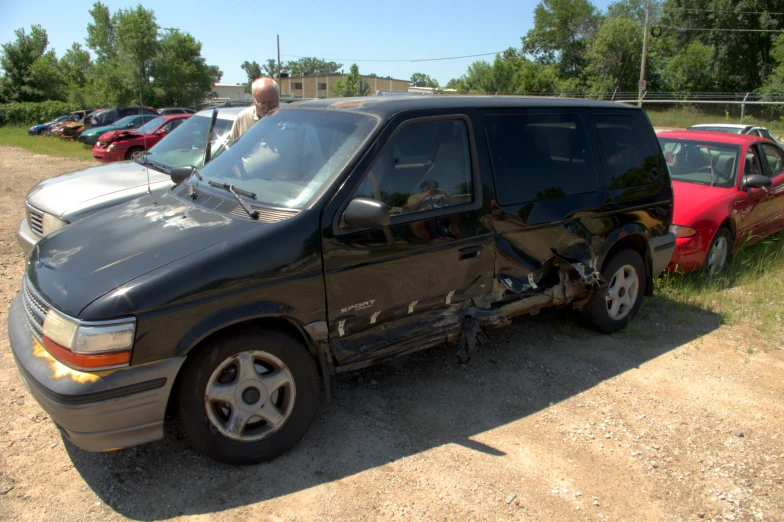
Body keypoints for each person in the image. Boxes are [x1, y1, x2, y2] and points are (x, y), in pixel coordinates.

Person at [229, 77, 280, 141]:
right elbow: (233, 148)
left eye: (271, 103)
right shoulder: (243, 119)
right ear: (255, 101)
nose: (267, 108)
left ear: (278, 100)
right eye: (262, 103)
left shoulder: (289, 120)